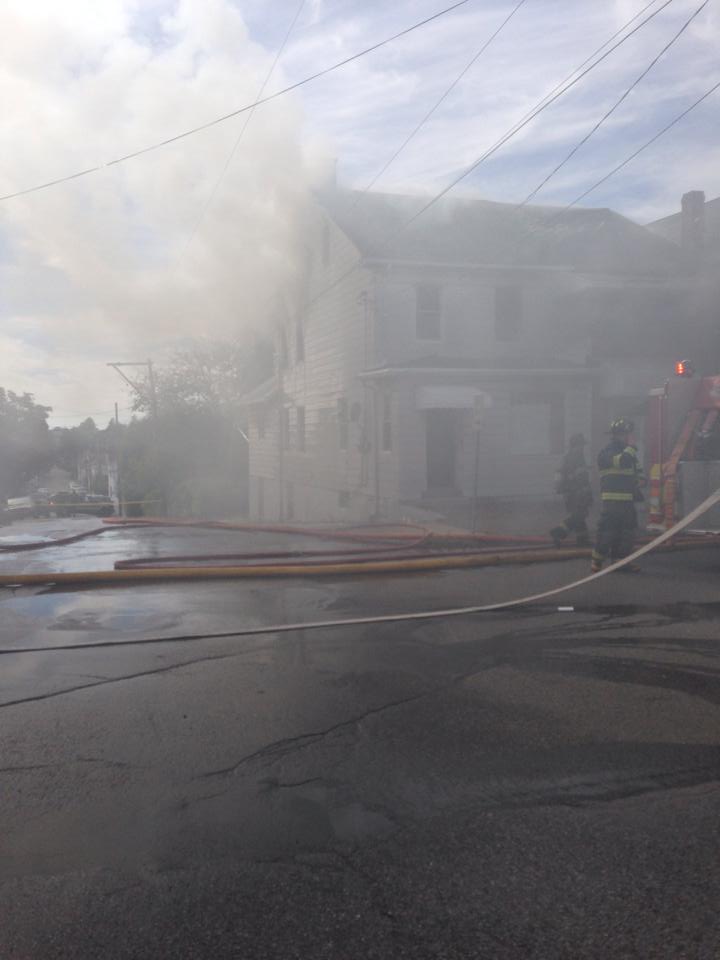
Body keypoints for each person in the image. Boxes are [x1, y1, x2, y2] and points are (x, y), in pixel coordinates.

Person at [591, 417, 644, 573]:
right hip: (612, 501)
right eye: (626, 434)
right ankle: (597, 561)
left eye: (629, 434)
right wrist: (632, 447)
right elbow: (622, 462)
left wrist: (641, 479)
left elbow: (637, 470)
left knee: (627, 533)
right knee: (608, 532)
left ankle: (620, 562)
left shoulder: (628, 452)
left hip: (627, 501)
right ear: (616, 435)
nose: (629, 437)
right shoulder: (607, 453)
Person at [550, 433, 593, 547]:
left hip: (574, 493)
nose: (582, 447)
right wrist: (584, 491)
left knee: (579, 515)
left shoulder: (572, 457)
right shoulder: (575, 458)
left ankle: (582, 540)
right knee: (579, 515)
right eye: (581, 445)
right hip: (575, 493)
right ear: (575, 445)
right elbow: (578, 478)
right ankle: (558, 532)